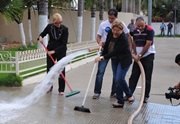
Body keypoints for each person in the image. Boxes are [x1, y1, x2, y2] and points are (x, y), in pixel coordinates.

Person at [95, 20, 134, 107]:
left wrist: (103, 57)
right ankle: (120, 101)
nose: (115, 32)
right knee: (117, 79)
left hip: (124, 60)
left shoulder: (123, 39)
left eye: (118, 30)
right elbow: (107, 45)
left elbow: (115, 52)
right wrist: (102, 53)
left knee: (119, 78)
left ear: (121, 30)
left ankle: (129, 95)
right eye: (114, 30)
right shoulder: (110, 33)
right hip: (115, 60)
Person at [92, 9, 130, 99]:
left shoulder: (121, 25)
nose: (110, 20)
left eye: (112, 18)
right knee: (100, 72)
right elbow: (98, 36)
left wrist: (129, 49)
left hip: (116, 53)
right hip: (105, 50)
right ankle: (97, 92)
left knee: (116, 74)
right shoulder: (103, 25)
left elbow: (128, 36)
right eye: (109, 18)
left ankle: (114, 92)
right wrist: (100, 42)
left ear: (116, 17)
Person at [38, 13, 69, 95]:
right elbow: (43, 33)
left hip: (60, 51)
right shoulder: (49, 27)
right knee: (49, 69)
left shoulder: (65, 29)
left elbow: (64, 44)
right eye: (57, 23)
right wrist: (40, 37)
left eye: (60, 22)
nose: (58, 24)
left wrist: (54, 51)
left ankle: (61, 89)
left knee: (61, 69)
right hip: (50, 50)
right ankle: (49, 87)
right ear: (53, 22)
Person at [128, 17, 156, 103]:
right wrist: (134, 52)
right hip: (137, 57)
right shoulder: (134, 31)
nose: (140, 28)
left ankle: (145, 96)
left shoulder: (150, 30)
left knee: (147, 77)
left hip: (148, 55)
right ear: (136, 24)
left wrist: (140, 55)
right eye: (138, 26)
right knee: (134, 76)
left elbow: (148, 44)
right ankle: (129, 94)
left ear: (145, 23)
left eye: (142, 26)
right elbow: (133, 41)